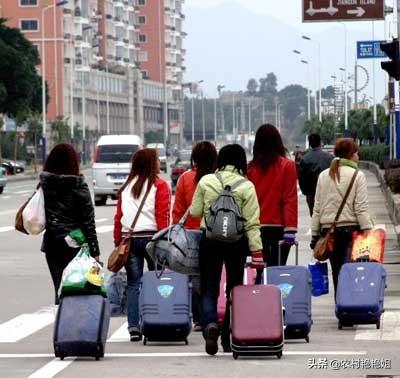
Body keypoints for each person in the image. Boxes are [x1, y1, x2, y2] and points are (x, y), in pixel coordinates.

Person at [190, 144, 262, 355]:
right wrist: (257, 253)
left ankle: (211, 324)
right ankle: (228, 338)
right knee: (234, 289)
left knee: (209, 287)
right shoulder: (247, 186)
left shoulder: (206, 180)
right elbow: (252, 224)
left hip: (210, 241)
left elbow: (194, 212)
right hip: (236, 244)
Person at [113, 148, 171, 342]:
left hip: (128, 239)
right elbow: (163, 217)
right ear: (152, 164)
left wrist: (118, 243)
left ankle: (133, 327)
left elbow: (118, 218)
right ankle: (158, 319)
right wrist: (165, 241)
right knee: (157, 280)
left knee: (133, 284)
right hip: (152, 239)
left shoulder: (126, 187)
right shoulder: (159, 185)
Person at [311, 138, 372, 297]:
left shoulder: (324, 175)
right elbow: (361, 207)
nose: (358, 156)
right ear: (351, 155)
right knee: (349, 271)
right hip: (350, 231)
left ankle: (340, 307)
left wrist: (314, 234)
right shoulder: (358, 175)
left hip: (328, 232)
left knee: (337, 271)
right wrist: (368, 230)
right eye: (357, 153)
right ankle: (349, 307)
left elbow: (317, 208)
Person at [39, 144, 100, 305]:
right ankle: (74, 324)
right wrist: (95, 251)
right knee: (78, 289)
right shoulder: (78, 185)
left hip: (52, 244)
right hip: (75, 244)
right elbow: (88, 221)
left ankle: (61, 320)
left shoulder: (45, 184)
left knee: (59, 287)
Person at [172, 141, 218, 332]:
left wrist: (175, 233)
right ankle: (212, 315)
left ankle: (198, 318)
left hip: (189, 235)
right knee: (210, 278)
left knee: (191, 277)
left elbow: (178, 211)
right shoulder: (218, 179)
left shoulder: (185, 179)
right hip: (212, 233)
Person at [248, 124, 298, 277]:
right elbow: (289, 198)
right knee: (277, 271)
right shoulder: (288, 166)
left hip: (255, 228)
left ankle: (260, 296)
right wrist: (290, 229)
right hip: (279, 228)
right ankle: (274, 299)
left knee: (260, 270)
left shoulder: (249, 169)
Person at [299, 134, 333, 216]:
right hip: (328, 194)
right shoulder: (330, 157)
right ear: (320, 142)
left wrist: (306, 192)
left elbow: (302, 179)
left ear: (310, 144)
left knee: (314, 216)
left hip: (312, 194)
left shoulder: (304, 159)